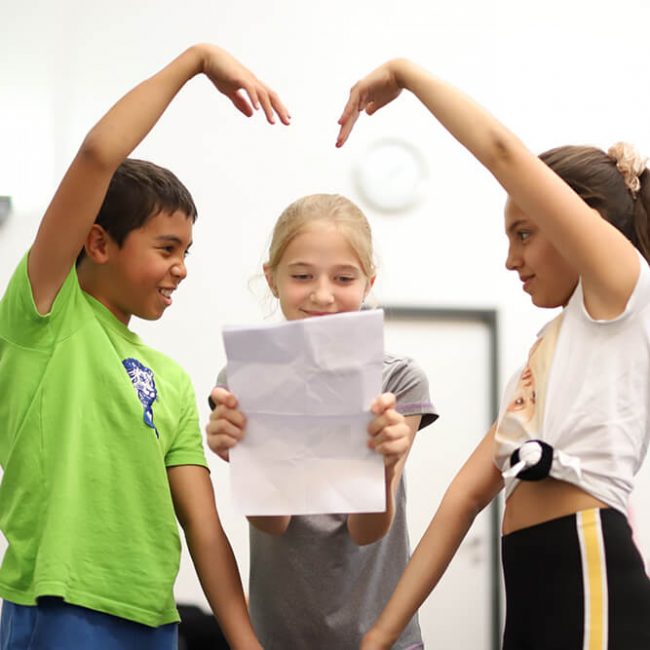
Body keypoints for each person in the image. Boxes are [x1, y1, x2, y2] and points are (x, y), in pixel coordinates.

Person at [336, 59, 650, 649]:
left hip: (587, 563)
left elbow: (504, 153)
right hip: (530, 585)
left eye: (524, 232)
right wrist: (381, 632)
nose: (511, 259)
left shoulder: (623, 288)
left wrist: (409, 75)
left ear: (584, 219)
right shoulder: (545, 356)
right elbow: (463, 498)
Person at [0, 44, 290, 650]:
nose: (181, 268)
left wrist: (246, 643)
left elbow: (204, 528)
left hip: (156, 619)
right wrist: (196, 62)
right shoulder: (45, 315)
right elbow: (98, 155)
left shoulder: (172, 378)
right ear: (99, 243)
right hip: (62, 607)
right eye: (166, 248)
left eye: (187, 251)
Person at [205, 193, 438, 649]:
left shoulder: (398, 380)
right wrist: (243, 454)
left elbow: (366, 530)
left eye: (344, 278)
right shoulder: (241, 378)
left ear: (368, 282)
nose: (323, 294)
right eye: (301, 276)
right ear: (272, 279)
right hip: (278, 638)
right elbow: (273, 524)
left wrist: (386, 467)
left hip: (382, 639)